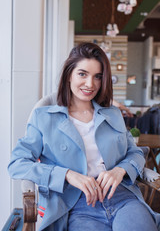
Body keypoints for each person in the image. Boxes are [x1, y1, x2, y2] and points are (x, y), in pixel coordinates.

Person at [8, 42, 160, 231]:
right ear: (69, 75)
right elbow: (17, 164)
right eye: (82, 74)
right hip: (75, 205)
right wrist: (68, 175)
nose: (90, 84)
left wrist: (119, 171)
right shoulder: (44, 118)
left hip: (122, 198)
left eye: (98, 77)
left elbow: (135, 153)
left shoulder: (111, 114)